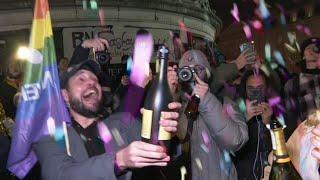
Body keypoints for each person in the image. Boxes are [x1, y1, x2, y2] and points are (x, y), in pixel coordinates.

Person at [32, 59, 182, 180]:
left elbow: (159, 151)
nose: (91, 82)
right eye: (81, 79)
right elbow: (60, 175)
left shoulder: (121, 123)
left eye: (94, 79)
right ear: (65, 95)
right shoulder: (51, 136)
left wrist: (165, 129)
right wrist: (119, 161)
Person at [168, 49, 249, 180]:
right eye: (187, 70)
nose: (193, 75)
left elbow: (236, 141)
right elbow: (175, 134)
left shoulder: (224, 103)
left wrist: (207, 101)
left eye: (198, 69)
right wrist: (170, 93)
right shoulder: (179, 107)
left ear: (207, 74)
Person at [233, 69, 274, 180]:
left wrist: (268, 123)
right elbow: (230, 149)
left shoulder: (275, 108)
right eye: (251, 88)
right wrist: (244, 120)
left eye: (260, 88)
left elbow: (279, 150)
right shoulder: (235, 110)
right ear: (245, 90)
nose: (255, 93)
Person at [284, 37, 320, 137]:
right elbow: (291, 118)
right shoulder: (292, 84)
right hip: (310, 138)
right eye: (309, 48)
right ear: (303, 56)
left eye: (317, 48)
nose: (313, 51)